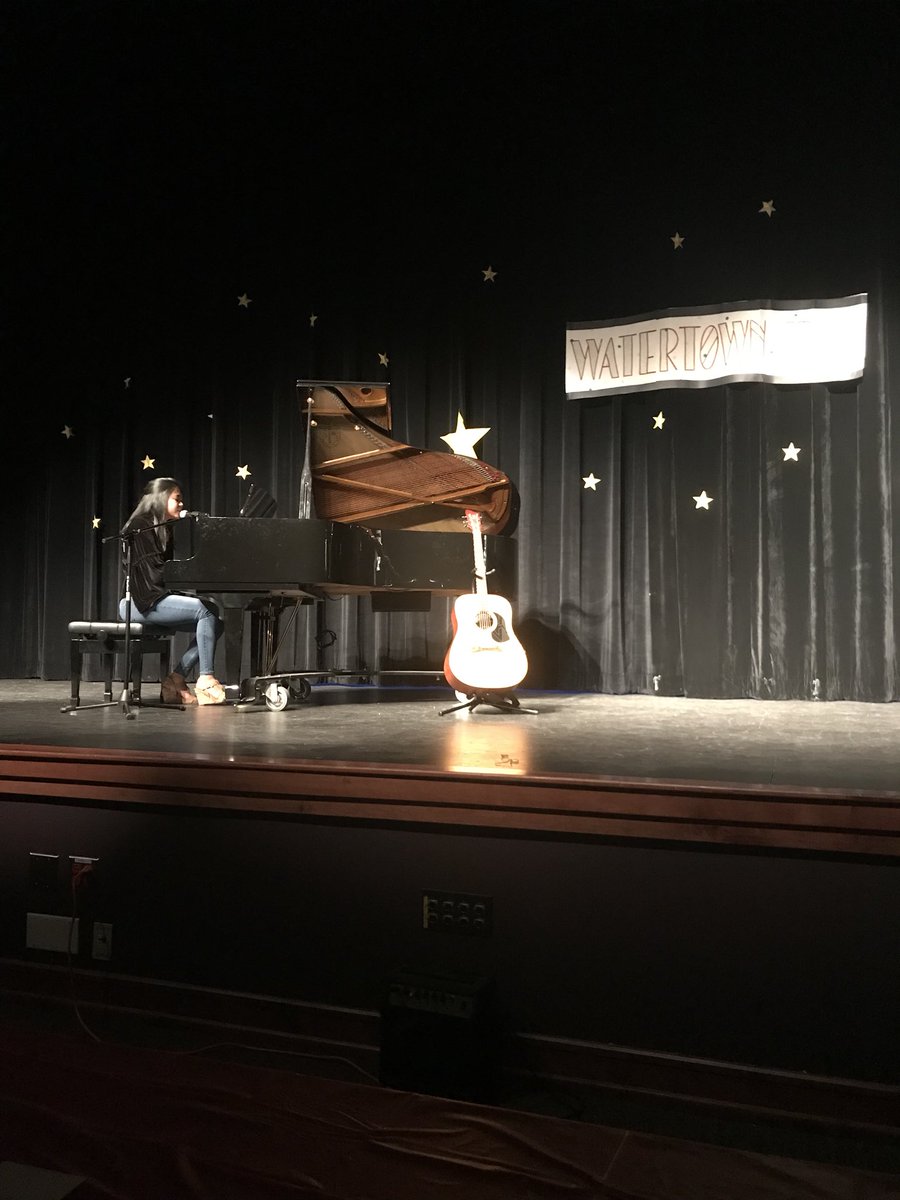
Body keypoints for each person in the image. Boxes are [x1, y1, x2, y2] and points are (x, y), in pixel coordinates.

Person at [120, 477, 225, 705]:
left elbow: (163, 572)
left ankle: (176, 678)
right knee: (204, 611)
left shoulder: (163, 529)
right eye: (177, 499)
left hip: (155, 597)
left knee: (215, 619)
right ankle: (206, 678)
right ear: (161, 498)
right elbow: (155, 573)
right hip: (138, 602)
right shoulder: (140, 526)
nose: (181, 504)